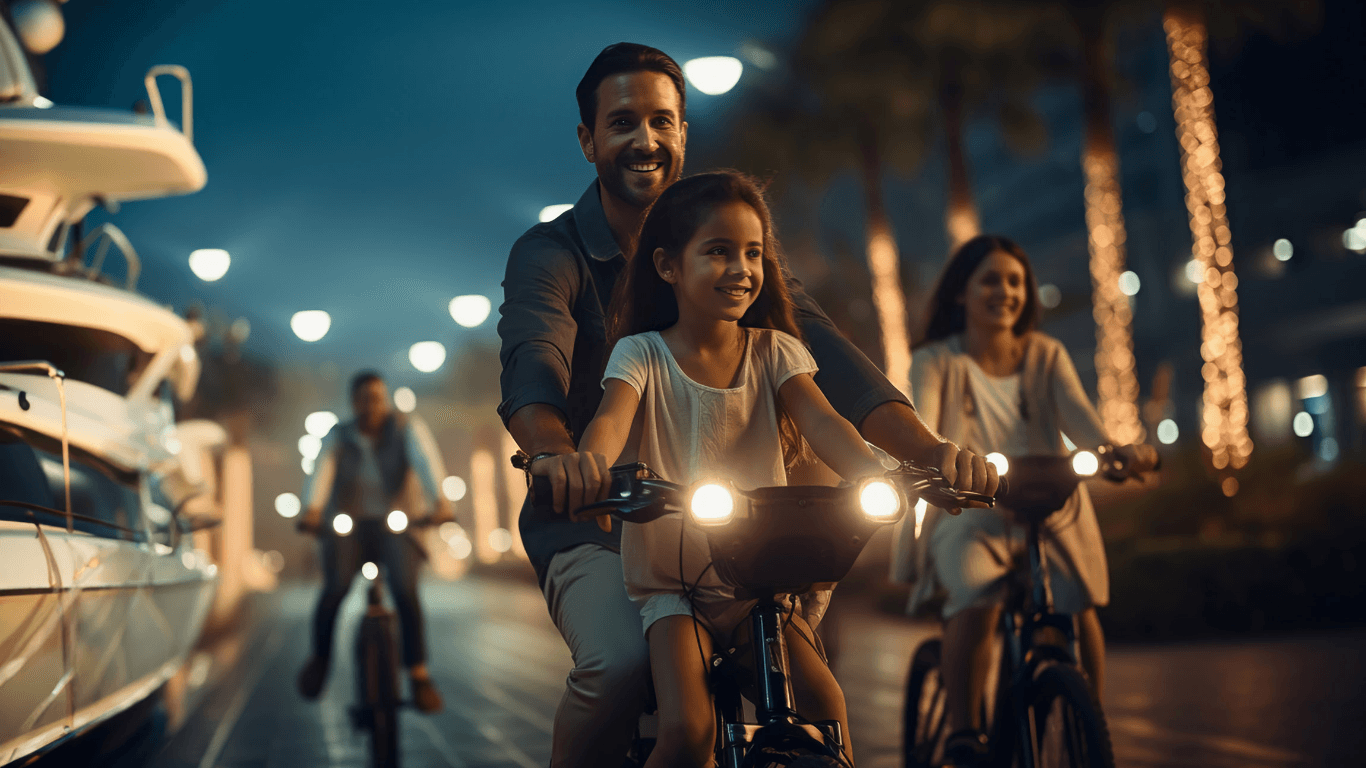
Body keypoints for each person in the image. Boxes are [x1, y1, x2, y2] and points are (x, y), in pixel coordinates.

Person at [497, 42, 998, 768]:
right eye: (623, 123)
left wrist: (928, 456)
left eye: (662, 121)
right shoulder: (553, 254)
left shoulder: (733, 251)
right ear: (588, 140)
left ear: (683, 132)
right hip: (601, 519)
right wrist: (561, 459)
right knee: (620, 665)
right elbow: (534, 364)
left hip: (743, 532)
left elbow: (836, 375)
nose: (645, 140)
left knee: (817, 687)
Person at [890, 235, 1157, 765]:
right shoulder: (933, 360)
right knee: (976, 600)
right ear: (961, 293)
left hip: (1049, 500)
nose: (1005, 292)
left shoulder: (1045, 354)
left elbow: (1084, 424)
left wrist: (1119, 453)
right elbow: (925, 429)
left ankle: (1087, 719)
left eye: (1015, 282)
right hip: (970, 505)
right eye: (990, 280)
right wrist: (942, 463)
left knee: (1079, 608)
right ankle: (964, 733)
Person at [296, 370, 452, 714]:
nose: (372, 406)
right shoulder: (338, 435)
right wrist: (312, 510)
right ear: (353, 403)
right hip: (350, 525)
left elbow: (425, 461)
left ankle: (419, 673)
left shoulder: (407, 429)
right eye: (365, 399)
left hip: (397, 523)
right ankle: (320, 660)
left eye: (378, 398)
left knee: (405, 590)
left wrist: (440, 502)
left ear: (387, 400)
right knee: (335, 588)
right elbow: (321, 470)